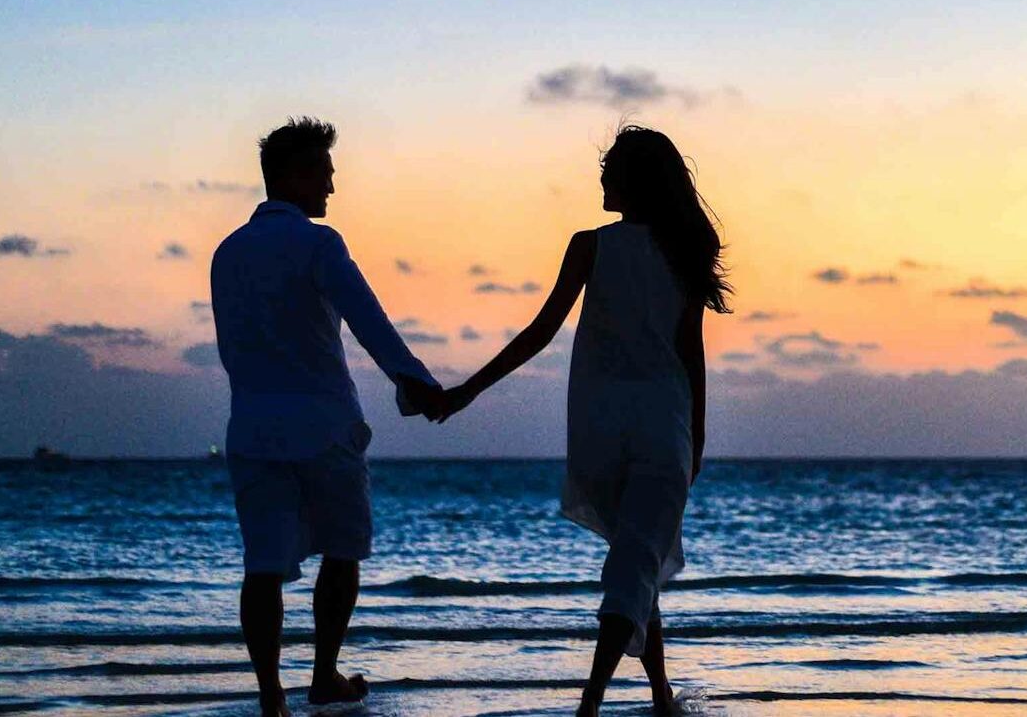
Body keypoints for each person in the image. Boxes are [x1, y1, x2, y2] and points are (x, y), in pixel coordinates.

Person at [431, 125, 729, 716]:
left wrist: (468, 390)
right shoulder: (683, 250)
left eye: (608, 168)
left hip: (599, 431)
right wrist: (697, 435)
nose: (599, 177)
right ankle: (589, 705)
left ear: (631, 181)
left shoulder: (589, 245)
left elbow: (539, 333)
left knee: (634, 556)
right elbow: (690, 350)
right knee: (634, 562)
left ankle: (661, 696)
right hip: (662, 426)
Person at [209, 116, 446, 717]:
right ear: (295, 174)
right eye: (325, 174)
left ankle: (271, 698)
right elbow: (367, 318)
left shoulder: (226, 253)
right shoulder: (320, 243)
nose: (332, 190)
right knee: (343, 551)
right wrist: (415, 382)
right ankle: (322, 674)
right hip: (324, 425)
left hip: (253, 427)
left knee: (263, 566)